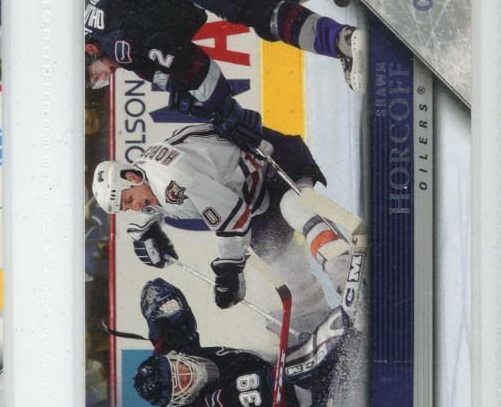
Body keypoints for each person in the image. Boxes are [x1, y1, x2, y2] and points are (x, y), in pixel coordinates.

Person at [92, 122, 356, 332]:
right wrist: (146, 231)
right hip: (252, 195)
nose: (135, 207)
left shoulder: (172, 180)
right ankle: (313, 314)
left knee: (294, 206)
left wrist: (229, 269)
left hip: (272, 160)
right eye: (127, 208)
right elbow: (151, 207)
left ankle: (343, 269)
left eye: (129, 200)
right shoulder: (144, 177)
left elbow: (233, 216)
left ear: (131, 177)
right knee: (277, 257)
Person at [83, 0, 363, 147]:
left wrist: (227, 112)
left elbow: (195, 66)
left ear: (88, 52)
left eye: (94, 76)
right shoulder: (98, 30)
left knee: (261, 13)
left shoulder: (116, 42)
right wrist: (181, 90)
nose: (102, 79)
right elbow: (154, 68)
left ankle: (344, 42)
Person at [131, 277, 341, 407]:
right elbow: (276, 381)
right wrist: (329, 335)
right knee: (310, 386)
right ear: (179, 400)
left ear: (174, 358)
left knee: (303, 365)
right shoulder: (213, 405)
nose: (188, 374)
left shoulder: (172, 360)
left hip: (263, 391)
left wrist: (155, 299)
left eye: (179, 368)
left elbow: (166, 327)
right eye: (182, 384)